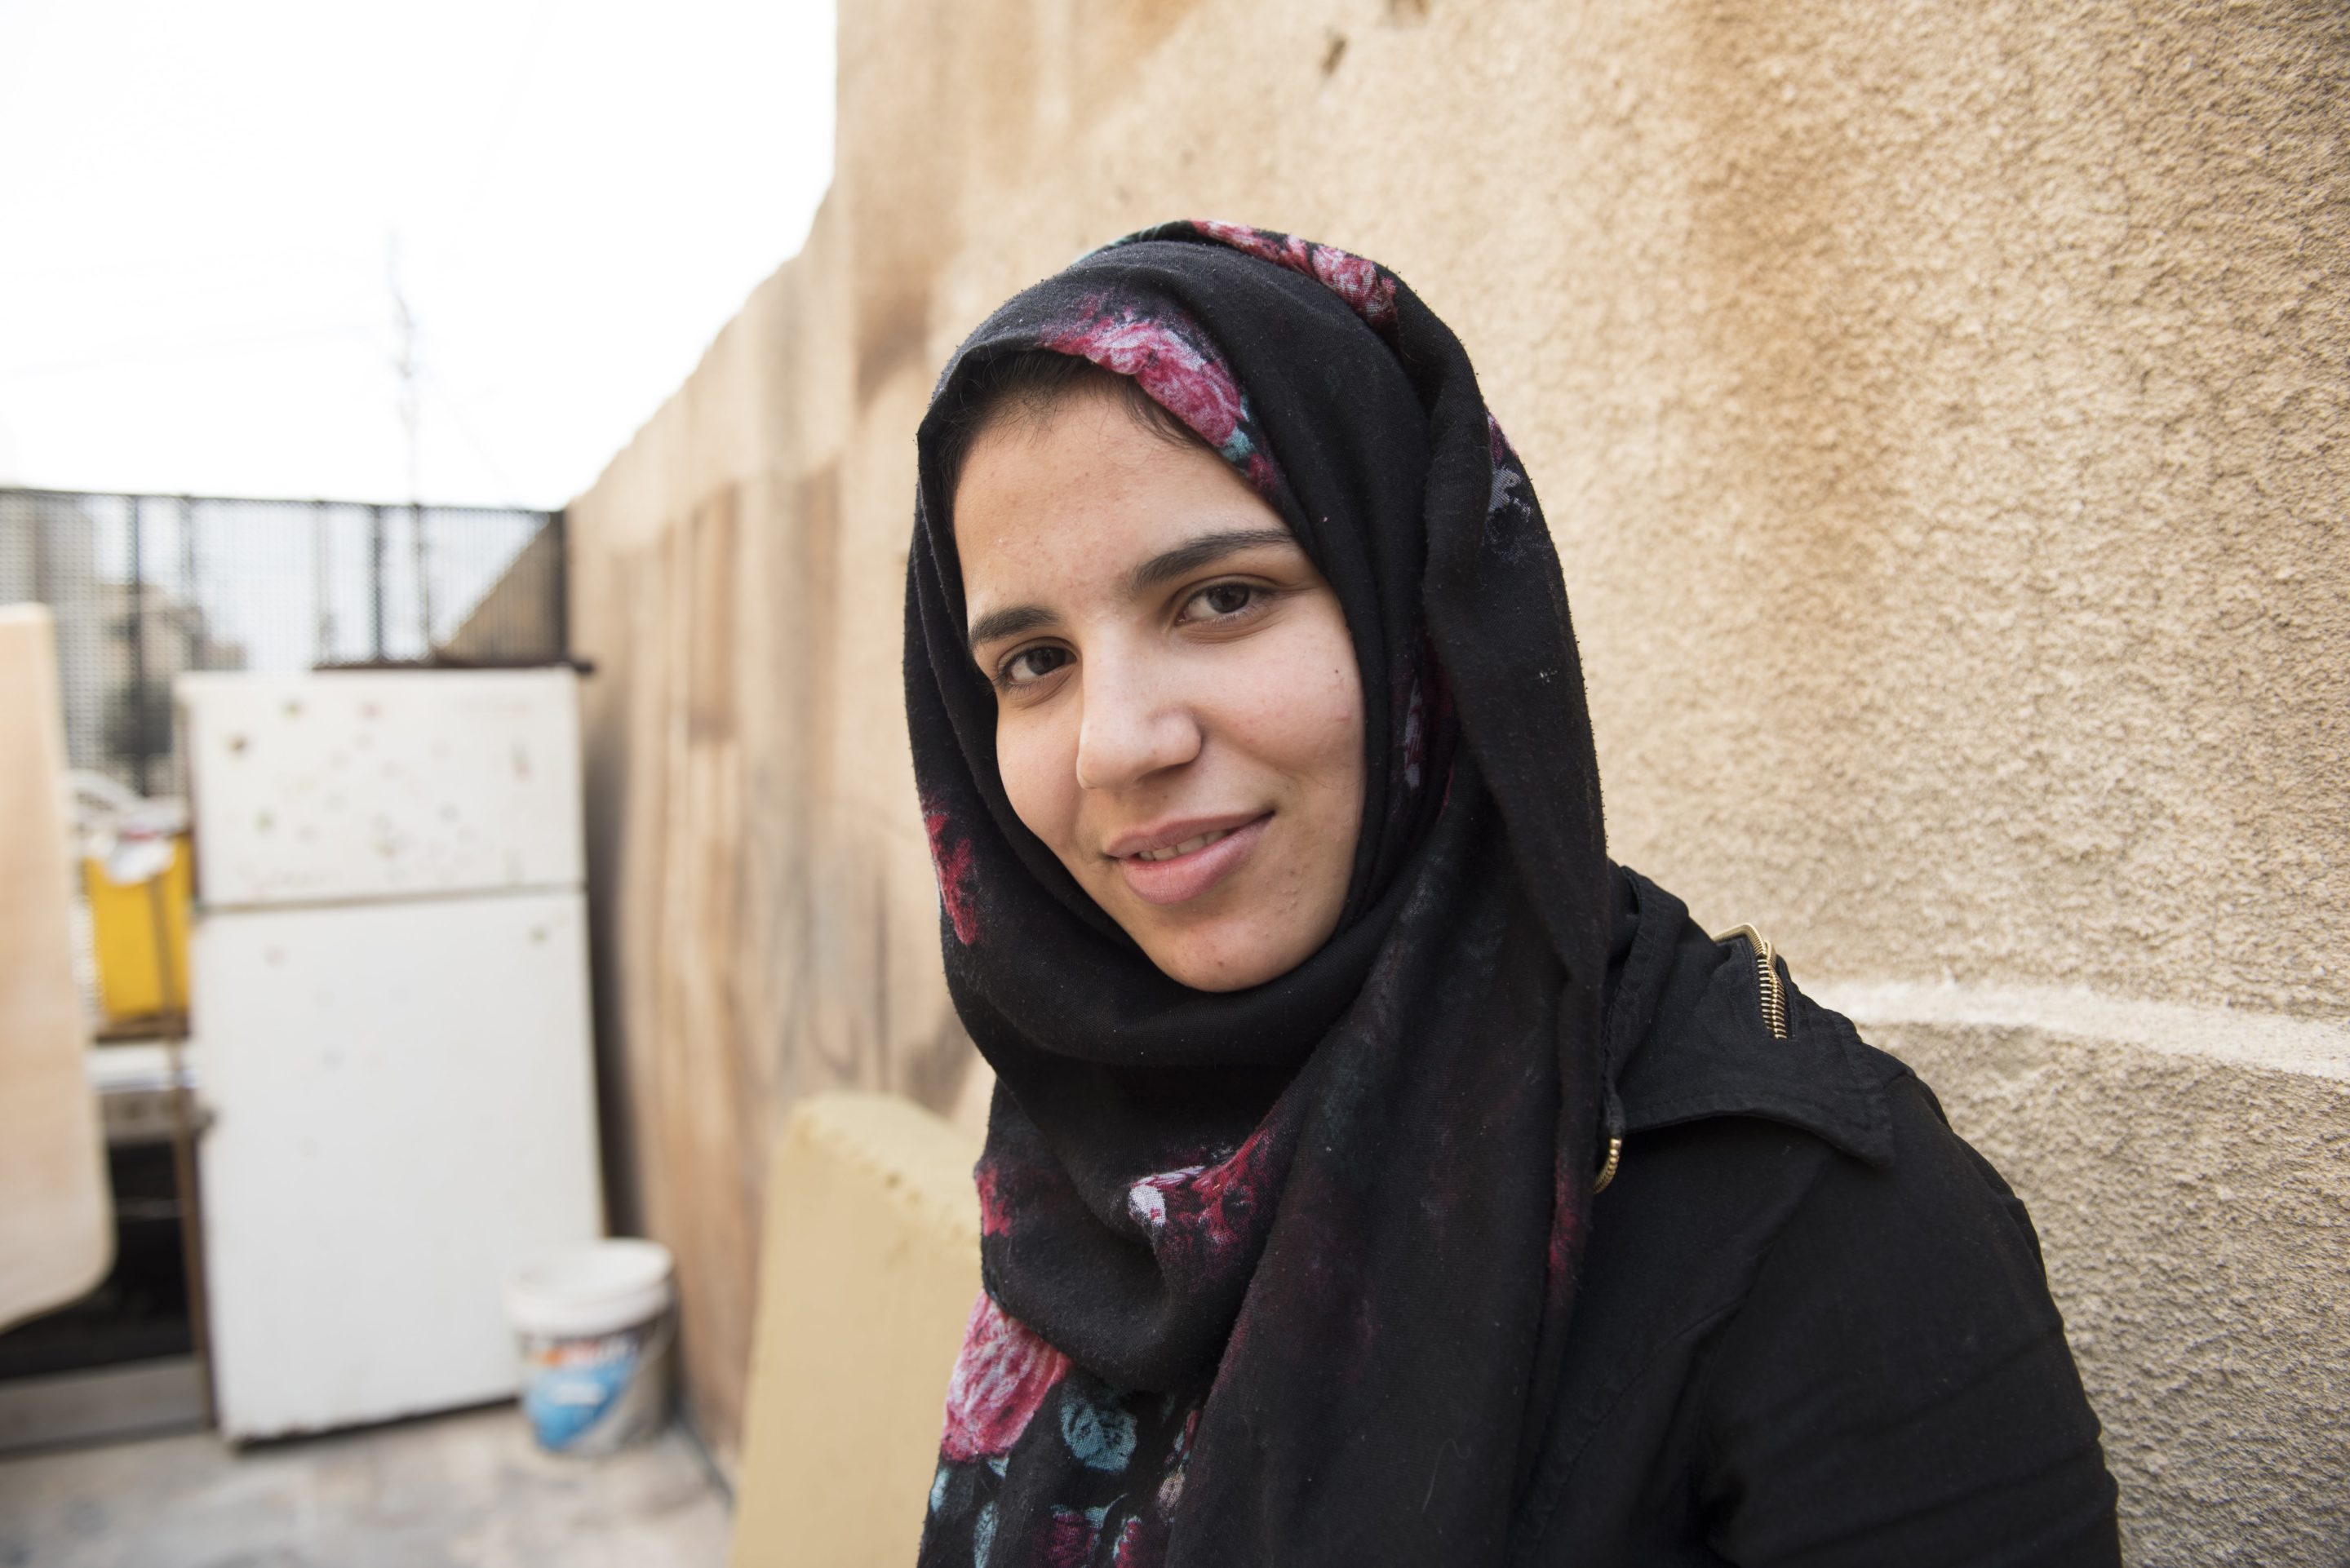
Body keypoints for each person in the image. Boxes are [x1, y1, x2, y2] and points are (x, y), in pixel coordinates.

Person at [901, 220, 2120, 1568]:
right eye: (1031, 662)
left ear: (1420, 617)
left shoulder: (1813, 1232)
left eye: (1223, 596)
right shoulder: (1097, 1166)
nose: (1116, 743)